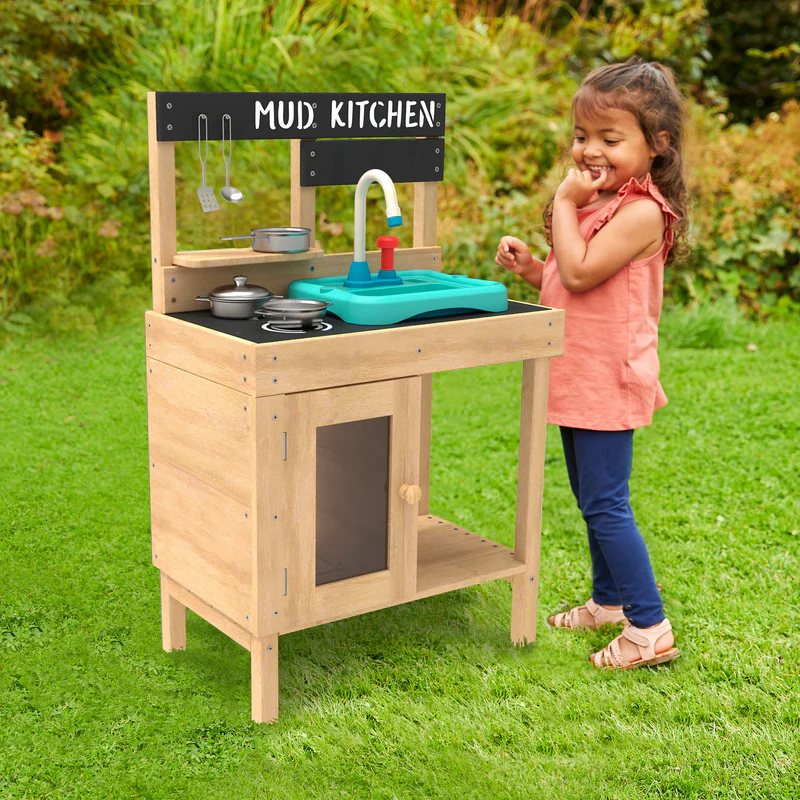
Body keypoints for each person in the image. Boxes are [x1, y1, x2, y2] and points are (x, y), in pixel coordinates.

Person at [495, 57, 687, 669]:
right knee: (590, 496)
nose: (590, 150)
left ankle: (649, 627)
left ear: (656, 146)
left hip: (608, 375)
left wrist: (560, 199)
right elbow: (571, 276)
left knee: (606, 502)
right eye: (582, 137)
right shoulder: (603, 203)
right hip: (579, 369)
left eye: (610, 138)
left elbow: (579, 270)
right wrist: (532, 267)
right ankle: (608, 603)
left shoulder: (642, 212)